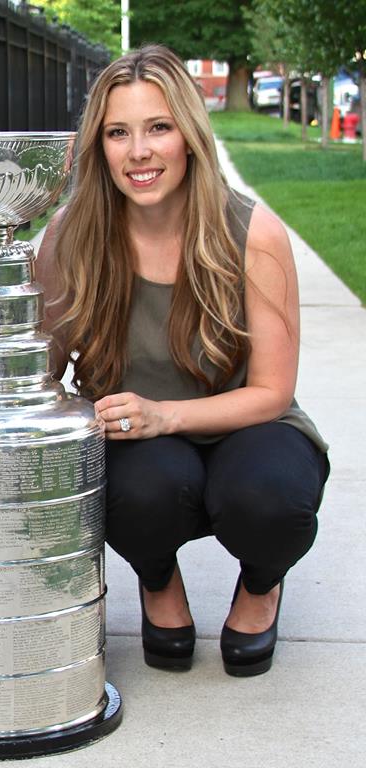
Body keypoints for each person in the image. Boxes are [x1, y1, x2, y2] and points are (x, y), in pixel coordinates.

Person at [36, 45, 328, 677]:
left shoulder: (252, 233)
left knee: (269, 497)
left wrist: (166, 414)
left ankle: (261, 584)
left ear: (189, 136)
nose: (139, 152)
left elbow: (273, 391)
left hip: (250, 423)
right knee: (141, 492)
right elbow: (42, 372)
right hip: (139, 442)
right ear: (99, 146)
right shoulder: (70, 236)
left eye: (158, 127)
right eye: (118, 133)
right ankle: (157, 576)